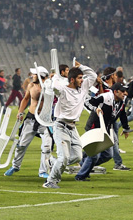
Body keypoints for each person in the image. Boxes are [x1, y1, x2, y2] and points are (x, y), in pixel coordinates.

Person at [43, 60, 96, 189]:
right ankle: (50, 181)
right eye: (79, 78)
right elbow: (55, 87)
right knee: (64, 157)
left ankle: (53, 161)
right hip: (61, 126)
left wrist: (81, 66)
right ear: (72, 80)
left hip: (73, 128)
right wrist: (55, 76)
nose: (82, 80)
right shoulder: (63, 90)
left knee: (77, 157)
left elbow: (93, 76)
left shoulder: (83, 88)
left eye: (82, 78)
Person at [75, 83, 131, 181]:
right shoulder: (105, 97)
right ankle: (80, 176)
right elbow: (87, 102)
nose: (125, 93)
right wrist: (96, 108)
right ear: (115, 92)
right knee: (94, 154)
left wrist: (126, 128)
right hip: (95, 127)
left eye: (125, 91)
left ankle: (84, 165)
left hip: (106, 129)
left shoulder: (122, 101)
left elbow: (122, 114)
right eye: (122, 91)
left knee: (108, 155)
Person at [5, 67, 52, 178]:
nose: (32, 76)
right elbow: (25, 99)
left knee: (46, 147)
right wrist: (20, 112)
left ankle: (43, 171)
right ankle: (15, 166)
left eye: (34, 74)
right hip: (31, 119)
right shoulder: (31, 85)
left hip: (44, 120)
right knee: (21, 145)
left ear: (41, 76)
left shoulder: (50, 86)